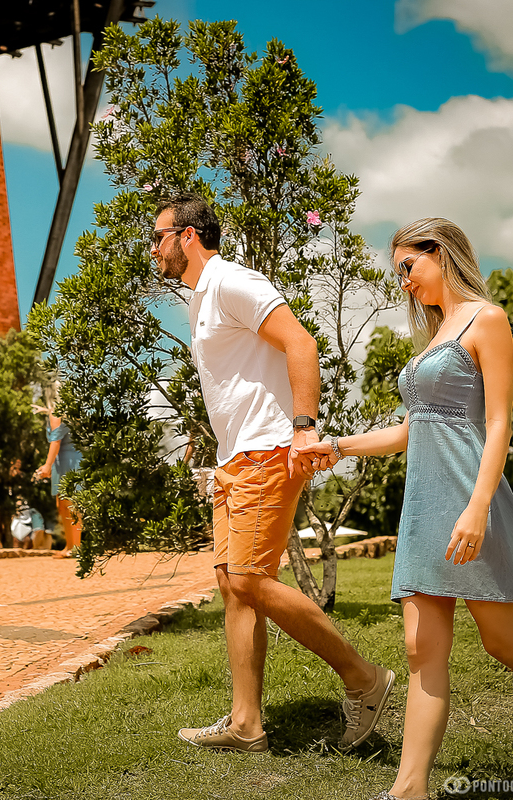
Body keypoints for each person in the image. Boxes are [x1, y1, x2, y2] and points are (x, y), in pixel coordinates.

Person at [298, 218, 513, 800]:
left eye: (408, 266)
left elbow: (498, 423)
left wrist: (477, 508)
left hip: (471, 499)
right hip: (424, 508)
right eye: (397, 272)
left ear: (441, 253)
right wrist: (338, 446)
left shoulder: (486, 319)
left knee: (506, 642)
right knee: (421, 649)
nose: (403, 281)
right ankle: (409, 789)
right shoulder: (436, 334)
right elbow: (410, 430)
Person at [155, 193, 395, 753]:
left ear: (188, 235)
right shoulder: (201, 298)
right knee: (232, 585)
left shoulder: (233, 281)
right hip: (234, 459)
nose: (153, 249)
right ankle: (246, 724)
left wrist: (304, 429)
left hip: (266, 450)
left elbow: (300, 343)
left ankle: (364, 677)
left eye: (158, 237)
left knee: (249, 580)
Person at [34, 386, 83, 558]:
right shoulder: (64, 413)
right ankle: (70, 546)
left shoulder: (56, 414)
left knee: (69, 506)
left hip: (67, 461)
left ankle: (75, 547)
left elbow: (55, 441)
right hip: (66, 459)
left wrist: (47, 465)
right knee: (64, 506)